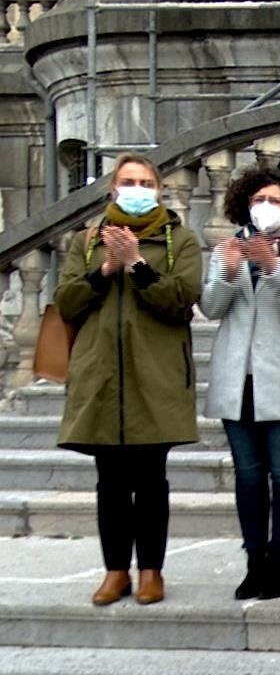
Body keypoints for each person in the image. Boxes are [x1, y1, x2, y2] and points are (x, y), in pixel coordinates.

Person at [58, 155, 203, 608]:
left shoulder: (179, 239)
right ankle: (115, 570)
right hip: (101, 375)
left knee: (151, 480)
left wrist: (138, 265)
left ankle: (151, 571)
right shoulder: (86, 241)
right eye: (127, 182)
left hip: (154, 374)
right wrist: (104, 270)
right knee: (111, 483)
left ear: (158, 191)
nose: (136, 189)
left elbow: (181, 300)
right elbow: (65, 302)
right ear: (111, 190)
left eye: (145, 182)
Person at [202, 166, 280, 600]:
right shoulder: (227, 250)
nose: (266, 208)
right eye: (258, 201)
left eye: (274, 200)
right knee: (249, 475)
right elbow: (212, 308)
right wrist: (228, 272)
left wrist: (273, 265)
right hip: (238, 377)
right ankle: (254, 558)